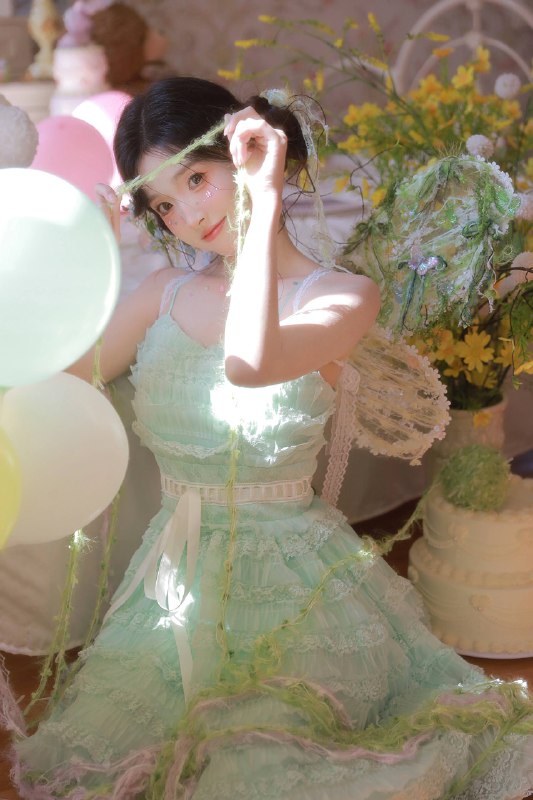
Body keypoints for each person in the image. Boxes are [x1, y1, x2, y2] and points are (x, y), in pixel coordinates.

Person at [3, 76, 533, 799]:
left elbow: (250, 363)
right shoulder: (163, 292)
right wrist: (83, 254)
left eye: (196, 179)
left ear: (250, 157)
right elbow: (58, 379)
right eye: (164, 204)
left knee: (259, 765)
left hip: (295, 587)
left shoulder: (340, 295)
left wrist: (262, 203)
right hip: (174, 579)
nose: (188, 215)